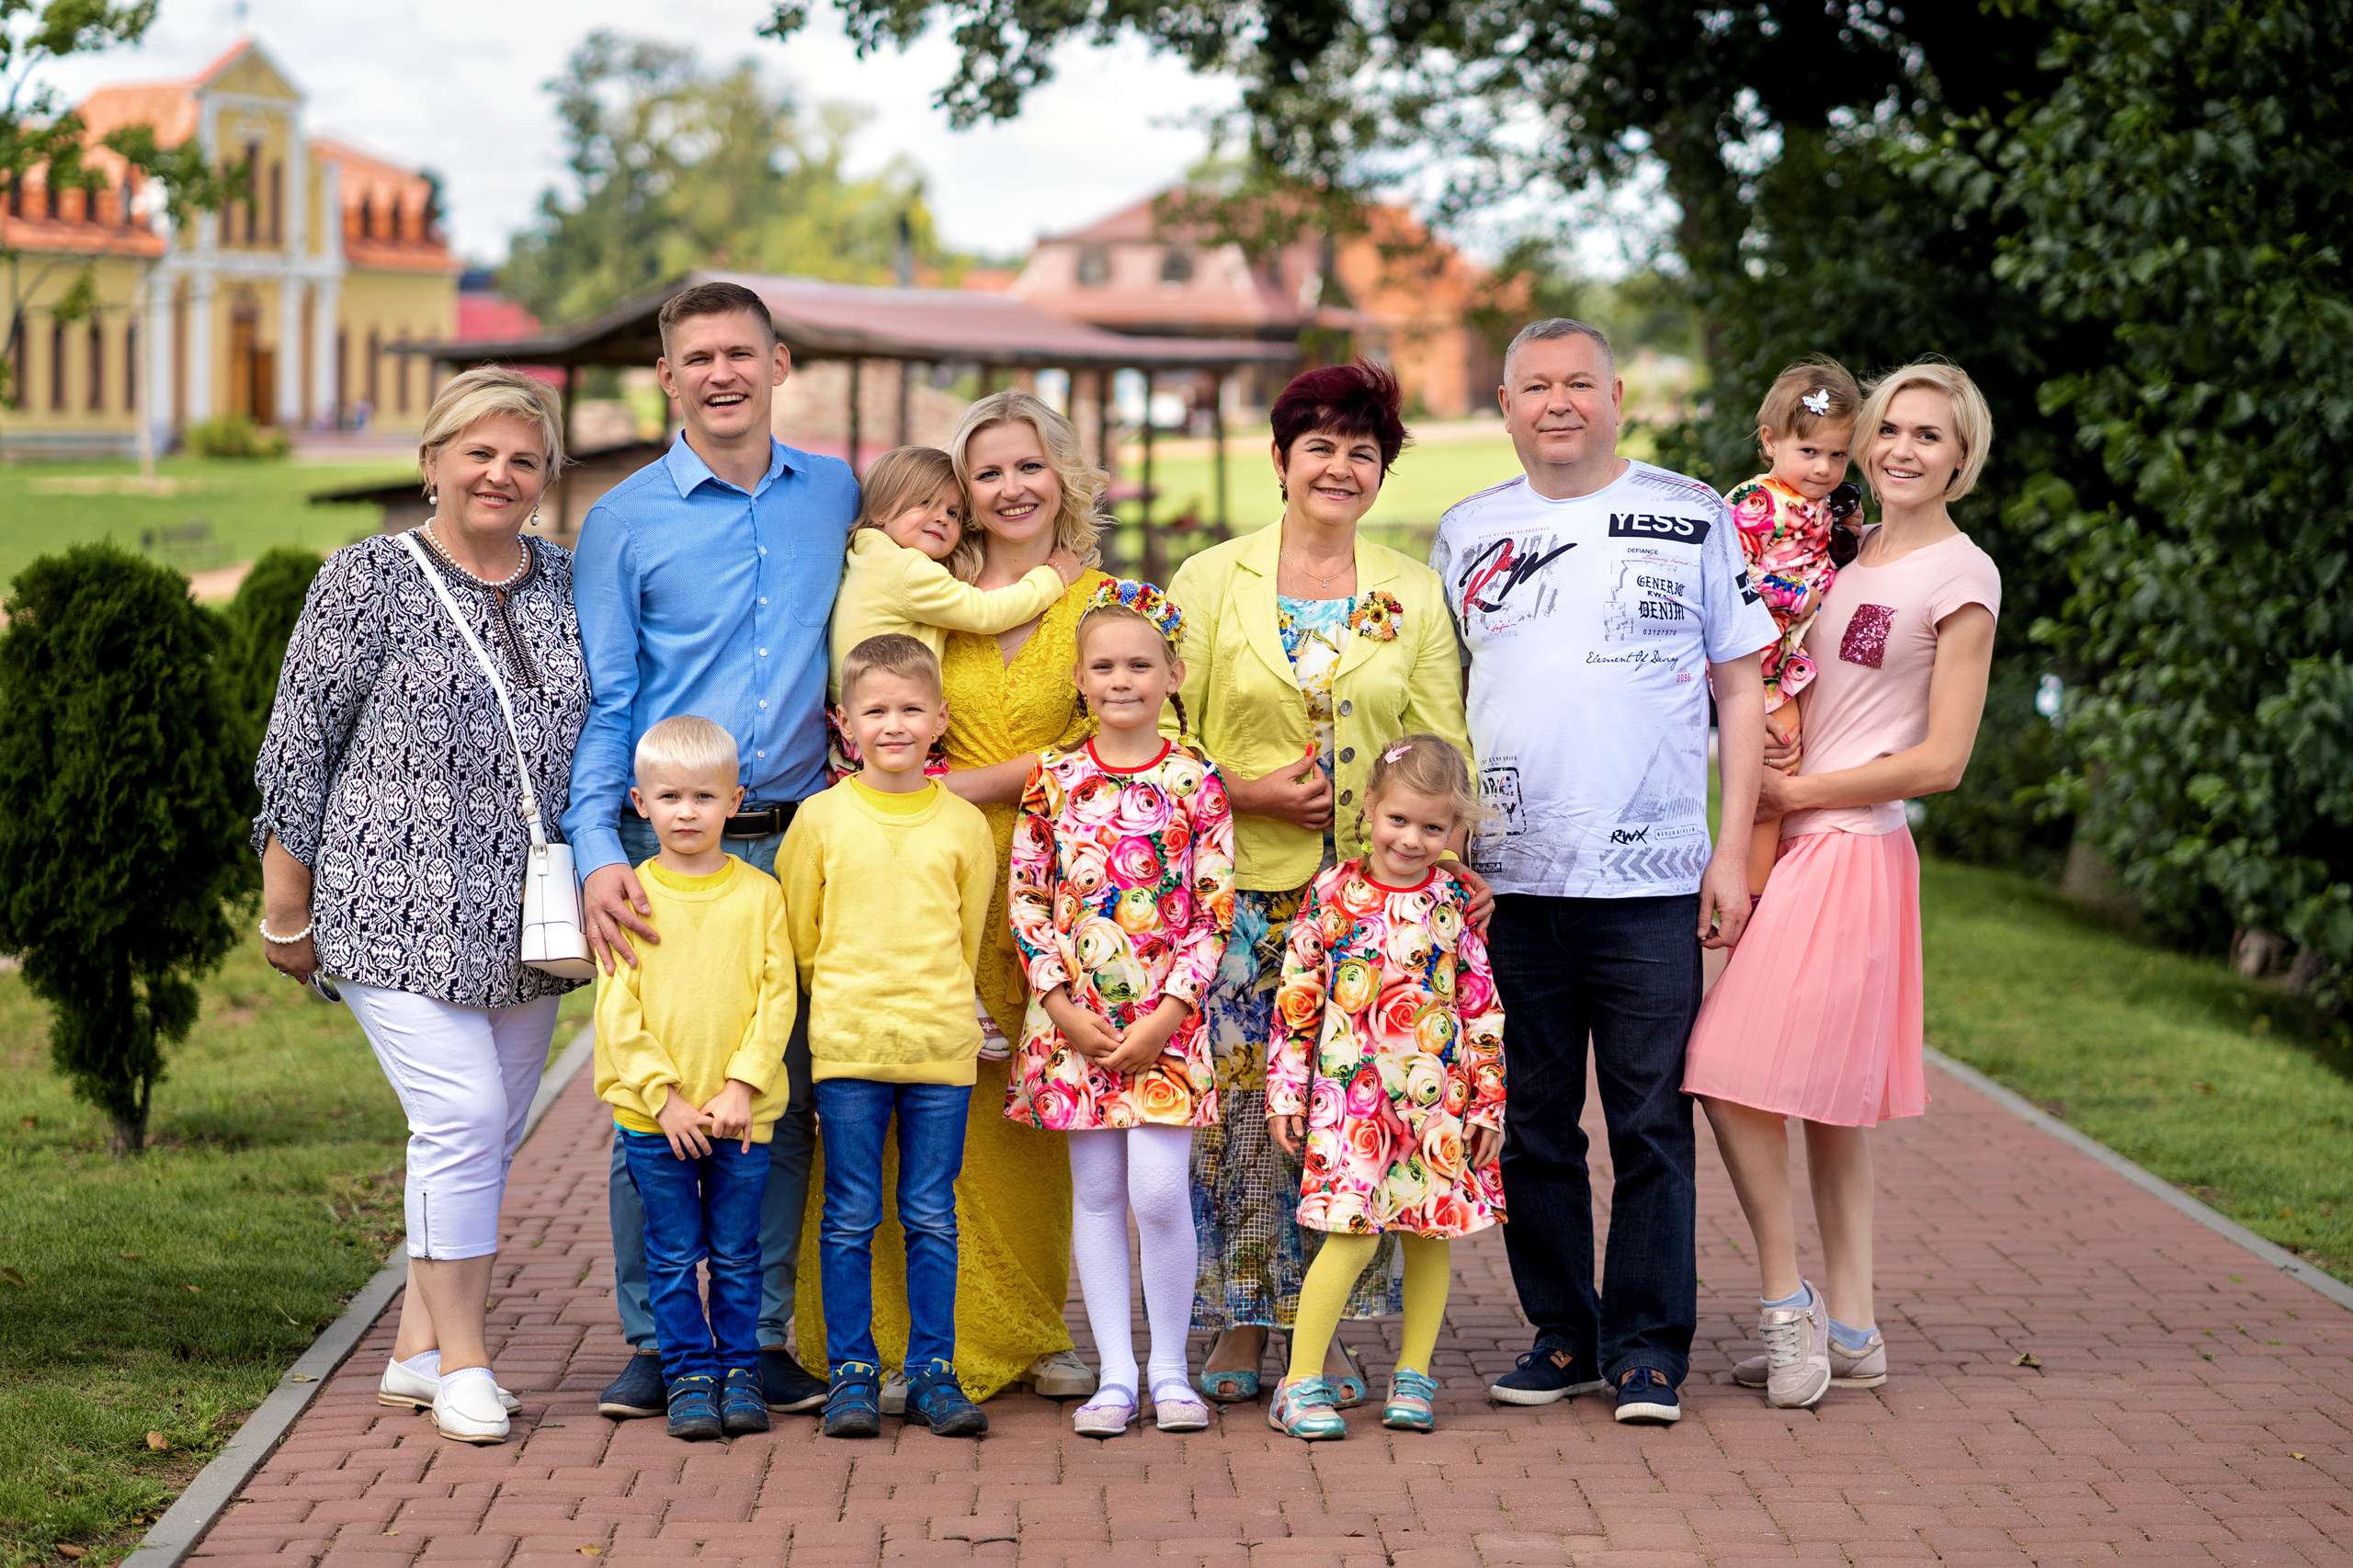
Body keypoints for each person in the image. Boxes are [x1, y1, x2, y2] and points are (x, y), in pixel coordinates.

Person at [1430, 317, 1773, 1426]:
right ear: (1506, 404)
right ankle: (1563, 1331)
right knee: (1532, 1121)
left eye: (1580, 382)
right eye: (1536, 386)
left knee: (1647, 1121)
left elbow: (1739, 690)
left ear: (1617, 393)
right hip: (1507, 884)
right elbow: (1439, 704)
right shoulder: (1467, 532)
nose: (1559, 401)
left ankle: (1646, 1347)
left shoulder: (1691, 513)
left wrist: (1733, 851)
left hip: (1652, 879)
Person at [254, 367, 587, 1445]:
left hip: (527, 916)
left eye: (522, 459)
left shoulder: (565, 582)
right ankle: (469, 1363)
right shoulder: (367, 576)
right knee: (460, 1117)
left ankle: (411, 1348)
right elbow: (298, 746)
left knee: (481, 1139)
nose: (500, 473)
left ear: (545, 479)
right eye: (478, 452)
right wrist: (283, 909)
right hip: (388, 898)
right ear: (432, 461)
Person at [564, 280, 858, 1424]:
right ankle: (655, 1337)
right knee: (653, 1100)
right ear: (669, 378)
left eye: (742, 352)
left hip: (796, 838)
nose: (721, 372)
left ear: (780, 365)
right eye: (699, 357)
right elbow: (607, 699)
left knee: (774, 1099)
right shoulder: (626, 519)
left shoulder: (832, 491)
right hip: (660, 846)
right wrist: (597, 845)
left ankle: (761, 1333)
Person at [1685, 360, 2000, 1409]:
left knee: (1725, 1070)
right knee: (1823, 1104)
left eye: (1929, 435)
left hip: (1851, 845)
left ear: (1962, 457)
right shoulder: (1839, 548)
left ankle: (1790, 1306)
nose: (1904, 448)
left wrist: (1795, 792)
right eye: (1892, 429)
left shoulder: (1961, 576)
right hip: (1792, 836)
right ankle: (1855, 1327)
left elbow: (1942, 759)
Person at [1165, 361, 1477, 1405]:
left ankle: (1326, 1329)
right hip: (1247, 898)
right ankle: (1245, 1324)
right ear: (1280, 459)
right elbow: (1160, 737)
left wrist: (1449, 852)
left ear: (1380, 471)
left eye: (1362, 450)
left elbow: (1439, 735)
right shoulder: (1211, 582)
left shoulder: (1410, 588)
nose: (1339, 466)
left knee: (1362, 1125)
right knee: (1251, 1122)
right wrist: (1245, 790)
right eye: (1320, 446)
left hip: (1374, 912)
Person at [794, 391, 1111, 1406]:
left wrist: (962, 784)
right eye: (989, 472)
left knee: (1029, 1111)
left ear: (1064, 474)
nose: (1012, 487)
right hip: (921, 878)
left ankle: (1030, 1327)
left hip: (1055, 884)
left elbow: (1122, 744)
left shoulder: (1105, 601)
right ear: (960, 491)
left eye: (1031, 465)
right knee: (900, 1111)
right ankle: (885, 1338)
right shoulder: (932, 590)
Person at [1005, 580, 1236, 1437]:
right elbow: (1026, 894)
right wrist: (1059, 1004)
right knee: (1097, 1192)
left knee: (1158, 1193)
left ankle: (1172, 1370)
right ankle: (1116, 1373)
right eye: (1103, 665)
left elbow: (1214, 905)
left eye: (1140, 664)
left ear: (1174, 674)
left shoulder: (1194, 778)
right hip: (1076, 1027)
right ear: (1079, 678)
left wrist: (1170, 1014)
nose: (1121, 679)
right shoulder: (1053, 779)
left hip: (1163, 1026)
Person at [779, 635, 999, 1438]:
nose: (894, 724)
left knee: (931, 1213)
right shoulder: (821, 819)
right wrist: (840, 1010)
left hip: (940, 1051)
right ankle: (853, 1372)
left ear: (940, 720)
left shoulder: (964, 825)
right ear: (844, 724)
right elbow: (803, 936)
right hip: (849, 1051)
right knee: (848, 1214)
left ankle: (934, 1371)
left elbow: (968, 934)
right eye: (876, 710)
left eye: (911, 709)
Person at [1263, 734, 1507, 1441]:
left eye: (1434, 827)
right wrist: (1288, 1093)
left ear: (1455, 832)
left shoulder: (1455, 900)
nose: (1413, 839)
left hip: (1437, 1102)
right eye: (1399, 820)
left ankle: (1414, 1376)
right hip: (1351, 1102)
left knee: (1431, 1234)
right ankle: (1300, 1381)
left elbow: (1480, 1003)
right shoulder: (1334, 894)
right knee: (1351, 1236)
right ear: (1369, 807)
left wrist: (1488, 1099)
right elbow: (1298, 1000)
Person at [594, 716, 796, 1443]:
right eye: (670, 796)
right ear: (639, 802)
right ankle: (686, 1375)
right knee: (674, 1254)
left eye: (704, 797)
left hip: (740, 1119)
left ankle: (740, 1369)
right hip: (657, 1124)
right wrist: (664, 1098)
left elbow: (778, 998)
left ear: (735, 800)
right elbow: (617, 1010)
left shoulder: (759, 896)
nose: (686, 811)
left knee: (739, 1252)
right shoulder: (631, 897)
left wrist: (743, 1084)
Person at [824, 444, 1082, 791]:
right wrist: (1054, 576)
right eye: (925, 503)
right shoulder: (906, 570)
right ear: (880, 510)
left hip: (855, 723)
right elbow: (986, 612)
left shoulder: (866, 554)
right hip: (894, 724)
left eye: (954, 512)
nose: (942, 517)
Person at [1725, 358, 1864, 894]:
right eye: (1809, 452)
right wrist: (1796, 595)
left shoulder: (1824, 504)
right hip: (1758, 663)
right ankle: (1751, 894)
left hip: (1796, 654)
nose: (1824, 468)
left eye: (1837, 454)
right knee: (1777, 772)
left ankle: (1788, 886)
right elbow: (1730, 576)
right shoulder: (1754, 504)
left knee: (1801, 766)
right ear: (1770, 440)